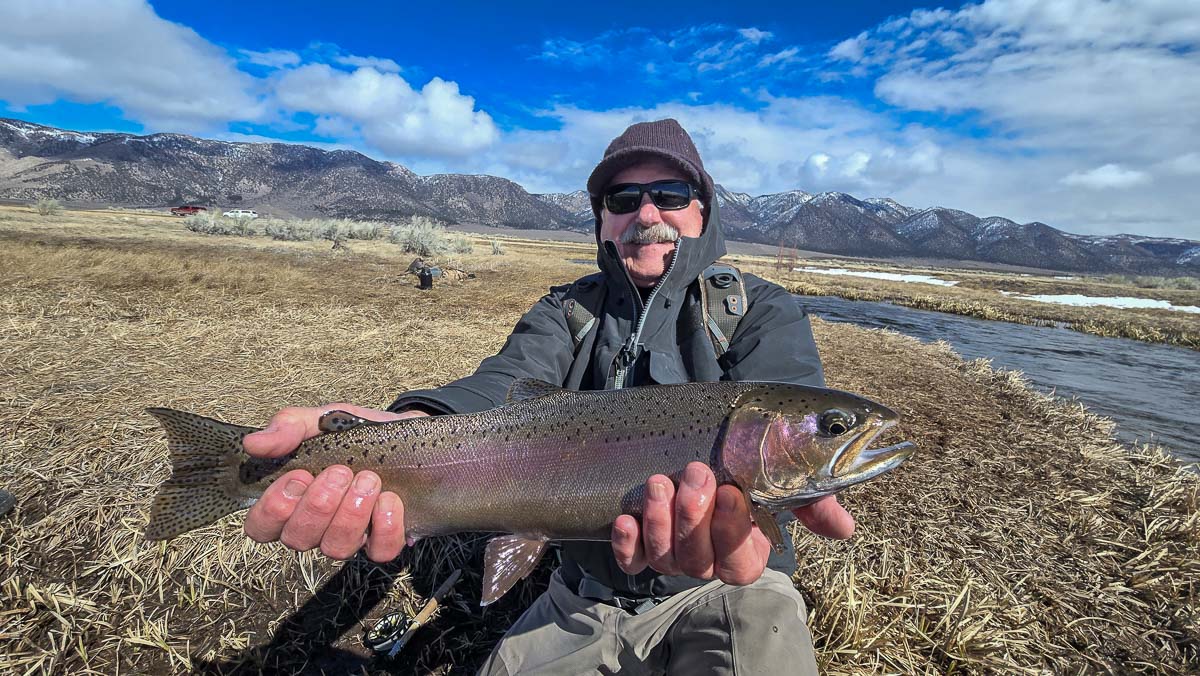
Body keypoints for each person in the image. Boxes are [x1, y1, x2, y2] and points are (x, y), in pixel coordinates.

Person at [241, 119, 854, 674]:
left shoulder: (758, 309)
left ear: (703, 212)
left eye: (668, 194)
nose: (646, 212)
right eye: (622, 199)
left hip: (733, 587)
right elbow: (499, 386)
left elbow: (795, 396)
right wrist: (412, 422)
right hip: (581, 594)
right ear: (602, 220)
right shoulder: (566, 311)